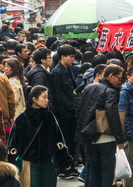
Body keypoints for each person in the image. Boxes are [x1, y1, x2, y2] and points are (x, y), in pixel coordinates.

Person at [7, 86, 73, 187]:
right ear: (34, 99)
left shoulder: (49, 117)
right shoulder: (22, 119)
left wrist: (65, 159)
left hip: (47, 164)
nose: (47, 100)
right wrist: (11, 163)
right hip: (28, 165)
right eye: (44, 97)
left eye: (47, 97)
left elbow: (58, 140)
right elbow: (13, 144)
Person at [76, 64, 126, 187]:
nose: (120, 81)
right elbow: (112, 115)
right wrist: (119, 138)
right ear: (110, 76)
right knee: (107, 173)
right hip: (105, 137)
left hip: (89, 136)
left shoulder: (88, 88)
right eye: (119, 78)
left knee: (94, 171)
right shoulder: (110, 92)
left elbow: (79, 109)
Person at [51, 44, 78, 178]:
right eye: (71, 57)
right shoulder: (57, 72)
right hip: (63, 114)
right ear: (62, 57)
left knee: (71, 141)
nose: (73, 59)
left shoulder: (68, 70)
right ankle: (64, 167)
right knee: (64, 141)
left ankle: (70, 166)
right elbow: (57, 96)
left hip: (71, 112)